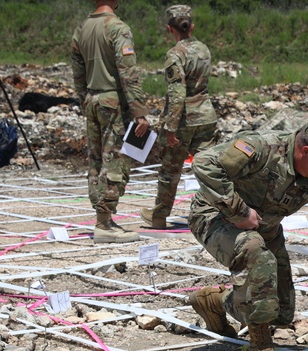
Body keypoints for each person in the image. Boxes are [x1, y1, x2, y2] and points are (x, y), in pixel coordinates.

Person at [186, 113, 308, 351]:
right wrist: (239, 211)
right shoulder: (262, 148)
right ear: (305, 151)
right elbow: (203, 163)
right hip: (214, 217)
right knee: (256, 250)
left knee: (280, 313)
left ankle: (215, 302)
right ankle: (260, 347)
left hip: (264, 229)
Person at [70, 0, 149, 243]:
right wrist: (139, 111)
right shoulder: (118, 28)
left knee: (96, 161)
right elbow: (128, 73)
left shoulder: (82, 28)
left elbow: (78, 71)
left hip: (93, 100)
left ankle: (101, 217)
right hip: (113, 102)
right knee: (116, 161)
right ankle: (104, 224)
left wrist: (86, 99)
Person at [140, 5, 217, 229]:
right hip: (206, 115)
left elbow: (177, 93)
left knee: (170, 170)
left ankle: (159, 215)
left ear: (169, 29)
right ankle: (215, 213)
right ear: (191, 27)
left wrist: (171, 126)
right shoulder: (204, 49)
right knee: (209, 169)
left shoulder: (175, 54)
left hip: (185, 119)